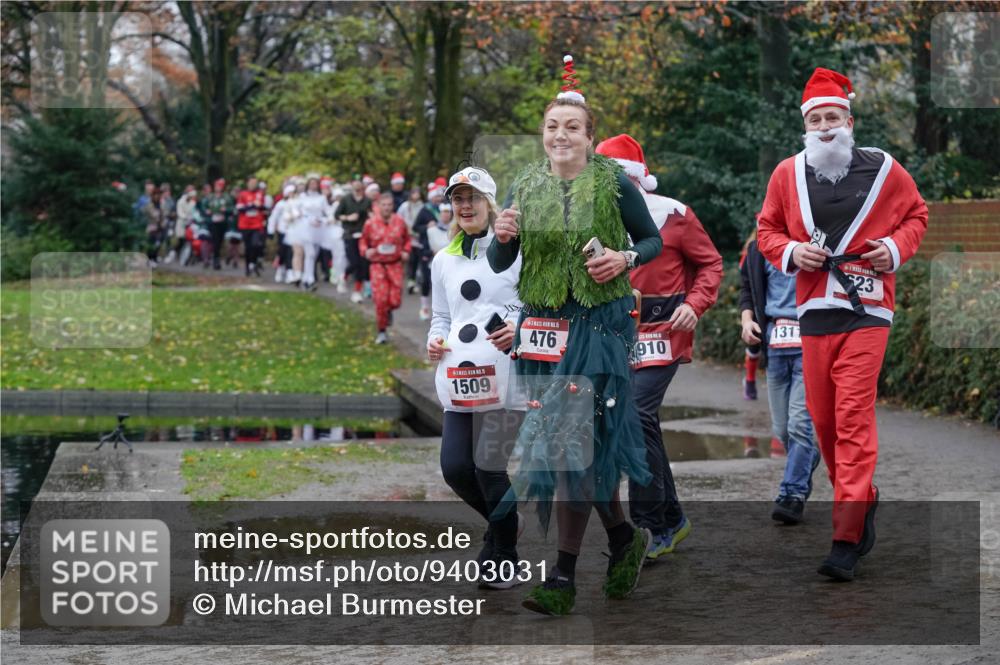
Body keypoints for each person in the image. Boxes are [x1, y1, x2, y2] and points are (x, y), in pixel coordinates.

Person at [487, 55, 662, 615]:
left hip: (599, 328)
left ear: (590, 137)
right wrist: (503, 235)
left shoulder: (612, 182)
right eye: (551, 127)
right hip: (542, 334)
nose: (560, 135)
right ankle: (621, 538)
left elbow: (651, 240)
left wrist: (623, 257)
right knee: (576, 451)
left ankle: (562, 577)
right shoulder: (525, 183)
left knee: (571, 447)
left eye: (571, 127)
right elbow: (499, 261)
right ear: (542, 136)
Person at [756, 68, 928, 581]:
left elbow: (917, 214)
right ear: (805, 127)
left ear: (849, 121)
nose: (826, 127)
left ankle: (846, 535)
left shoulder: (883, 169)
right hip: (813, 313)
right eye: (816, 119)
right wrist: (791, 251)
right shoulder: (787, 174)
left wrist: (893, 249)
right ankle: (863, 498)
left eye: (833, 117)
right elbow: (767, 230)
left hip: (868, 310)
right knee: (825, 425)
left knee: (853, 417)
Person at [596, 134, 723, 561]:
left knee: (636, 415)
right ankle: (671, 519)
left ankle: (648, 525)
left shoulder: (674, 214)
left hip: (663, 331)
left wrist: (695, 304)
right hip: (614, 333)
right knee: (638, 422)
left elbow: (710, 263)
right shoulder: (590, 220)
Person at [427, 167, 525, 587]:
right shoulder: (442, 259)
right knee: (455, 468)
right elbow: (442, 316)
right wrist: (434, 339)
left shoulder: (517, 250)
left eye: (473, 198)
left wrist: (519, 328)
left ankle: (504, 553)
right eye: (458, 199)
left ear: (490, 202)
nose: (465, 206)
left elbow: (535, 304)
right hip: (460, 375)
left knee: (489, 467)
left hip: (507, 373)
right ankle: (505, 527)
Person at [739, 233, 821, 524]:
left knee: (800, 424)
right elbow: (748, 288)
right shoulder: (759, 248)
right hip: (775, 347)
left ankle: (792, 494)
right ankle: (806, 461)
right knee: (782, 429)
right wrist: (747, 320)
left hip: (809, 346)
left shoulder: (818, 239)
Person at [360, 192, 411, 344]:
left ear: (393, 206)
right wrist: (365, 251)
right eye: (384, 205)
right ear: (378, 206)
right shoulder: (371, 223)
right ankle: (381, 331)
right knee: (380, 300)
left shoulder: (400, 222)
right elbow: (363, 241)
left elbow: (407, 240)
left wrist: (406, 251)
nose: (387, 208)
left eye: (389, 205)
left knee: (395, 300)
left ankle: (389, 310)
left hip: (395, 264)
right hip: (378, 265)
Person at [335, 180, 373, 303]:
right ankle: (344, 276)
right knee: (354, 262)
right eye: (355, 187)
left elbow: (371, 214)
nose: (357, 189)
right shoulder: (346, 199)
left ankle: (357, 292)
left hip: (363, 235)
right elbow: (336, 215)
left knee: (362, 264)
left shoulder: (367, 201)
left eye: (359, 187)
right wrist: (347, 217)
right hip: (349, 234)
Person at [412, 181, 445, 299]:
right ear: (431, 197)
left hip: (443, 248)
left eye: (440, 196)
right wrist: (426, 227)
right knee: (427, 279)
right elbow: (415, 227)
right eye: (436, 197)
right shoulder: (425, 210)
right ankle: (424, 306)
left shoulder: (445, 210)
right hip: (427, 249)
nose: (438, 199)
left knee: (442, 280)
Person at [297, 176, 329, 290]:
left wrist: (322, 220)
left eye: (315, 184)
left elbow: (327, 212)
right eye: (311, 183)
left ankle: (306, 277)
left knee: (313, 254)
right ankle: (309, 279)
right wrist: (308, 220)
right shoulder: (302, 197)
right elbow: (298, 211)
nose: (313, 186)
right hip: (306, 227)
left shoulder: (321, 198)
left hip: (318, 227)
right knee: (309, 253)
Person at [236, 176, 269, 276]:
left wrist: (259, 206)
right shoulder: (243, 194)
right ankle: (248, 266)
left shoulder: (260, 194)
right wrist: (251, 205)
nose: (253, 185)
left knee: (256, 244)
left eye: (255, 183)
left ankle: (253, 263)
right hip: (245, 224)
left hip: (257, 224)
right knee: (248, 247)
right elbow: (239, 208)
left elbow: (264, 207)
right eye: (251, 183)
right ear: (248, 184)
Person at [200, 178, 234, 270]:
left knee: (220, 241)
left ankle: (216, 257)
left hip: (222, 223)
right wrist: (206, 211)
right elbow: (203, 206)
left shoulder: (226, 197)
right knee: (214, 241)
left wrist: (226, 210)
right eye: (216, 186)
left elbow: (232, 209)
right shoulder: (210, 197)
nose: (217, 188)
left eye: (219, 186)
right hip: (212, 222)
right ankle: (215, 259)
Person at [268, 184, 296, 283]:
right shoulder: (281, 204)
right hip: (282, 231)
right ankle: (280, 268)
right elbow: (273, 217)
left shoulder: (297, 203)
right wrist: (270, 231)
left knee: (291, 252)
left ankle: (290, 271)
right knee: (282, 251)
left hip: (294, 232)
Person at [141, 187, 164, 265]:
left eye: (159, 195)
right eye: (156, 195)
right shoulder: (149, 204)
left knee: (158, 243)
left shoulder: (160, 204)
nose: (158, 196)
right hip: (151, 227)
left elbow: (162, 215)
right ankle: (149, 259)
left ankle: (154, 258)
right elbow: (154, 215)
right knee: (151, 243)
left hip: (159, 227)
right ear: (153, 195)